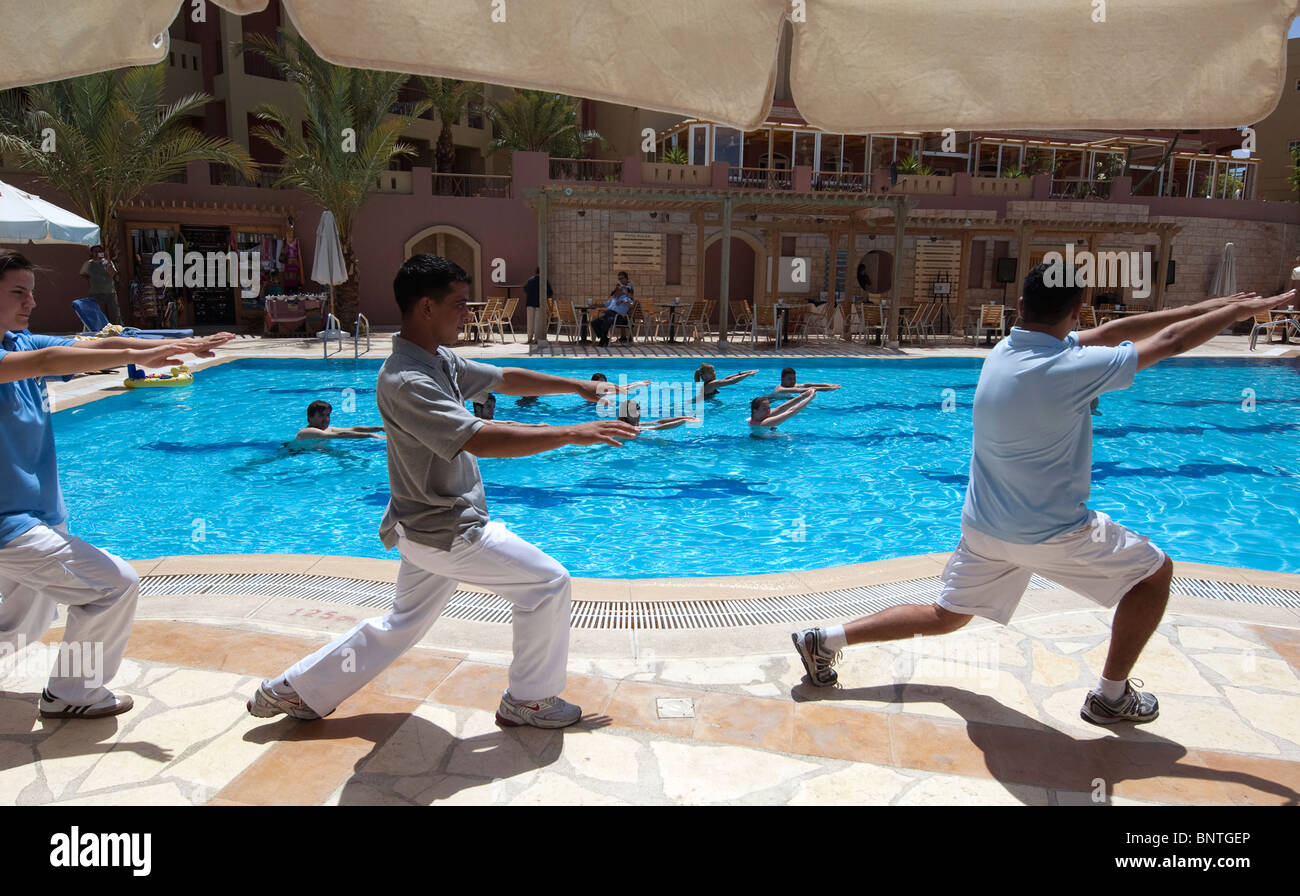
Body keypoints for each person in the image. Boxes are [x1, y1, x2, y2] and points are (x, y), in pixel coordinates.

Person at [791, 262, 1289, 725]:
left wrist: (1209, 306)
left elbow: (1115, 332)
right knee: (1156, 574)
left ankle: (825, 638)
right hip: (1050, 532)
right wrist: (1235, 313)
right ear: (1075, 312)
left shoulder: (1007, 352)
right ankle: (1111, 697)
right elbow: (1171, 342)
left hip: (985, 527)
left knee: (947, 616)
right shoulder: (1071, 370)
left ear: (1022, 309)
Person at [247, 255, 639, 729]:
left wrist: (579, 385)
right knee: (548, 584)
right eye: (459, 305)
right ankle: (529, 699)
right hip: (446, 530)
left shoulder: (437, 360)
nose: (467, 314)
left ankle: (294, 690)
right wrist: (571, 433)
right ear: (427, 307)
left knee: (400, 626)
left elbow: (504, 378)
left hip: (419, 524)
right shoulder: (407, 380)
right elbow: (480, 439)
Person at [0, 249, 233, 719]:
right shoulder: (20, 356)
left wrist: (164, 346)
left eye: (32, 291)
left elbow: (87, 348)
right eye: (17, 292)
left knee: (28, 615)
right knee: (114, 585)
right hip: (9, 524)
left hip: (39, 515)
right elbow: (49, 360)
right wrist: (148, 353)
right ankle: (72, 692)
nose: (30, 302)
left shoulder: (17, 342)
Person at [295, 400, 385, 440]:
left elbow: (353, 429)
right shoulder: (307, 432)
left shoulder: (326, 429)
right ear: (310, 417)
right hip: (296, 454)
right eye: (321, 416)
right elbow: (340, 435)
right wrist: (370, 435)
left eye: (328, 415)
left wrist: (380, 428)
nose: (326, 419)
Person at [79, 245, 120, 325]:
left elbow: (112, 274)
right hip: (96, 293)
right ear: (92, 253)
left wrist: (108, 261)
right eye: (96, 251)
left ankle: (115, 331)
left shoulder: (107, 262)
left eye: (100, 251)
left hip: (110, 293)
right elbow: (82, 274)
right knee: (100, 315)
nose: (98, 253)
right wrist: (91, 279)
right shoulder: (88, 264)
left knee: (114, 314)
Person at [592, 271, 635, 346]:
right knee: (594, 322)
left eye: (622, 278)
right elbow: (604, 304)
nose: (616, 292)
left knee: (607, 321)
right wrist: (595, 305)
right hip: (609, 314)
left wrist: (623, 301)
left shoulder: (625, 296)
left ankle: (603, 341)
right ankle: (604, 338)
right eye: (619, 279)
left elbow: (631, 304)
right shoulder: (614, 299)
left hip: (617, 316)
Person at [748, 389, 816, 436]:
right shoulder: (764, 423)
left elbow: (782, 407)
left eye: (769, 408)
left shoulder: (759, 416)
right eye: (764, 409)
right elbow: (791, 412)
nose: (768, 411)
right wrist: (810, 398)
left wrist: (803, 396)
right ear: (755, 410)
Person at [617, 399, 698, 432]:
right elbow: (656, 428)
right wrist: (683, 421)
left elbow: (658, 422)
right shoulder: (627, 427)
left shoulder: (634, 423)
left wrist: (684, 417)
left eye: (638, 408)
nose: (637, 412)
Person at [761, 367, 842, 397]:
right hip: (771, 401)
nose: (793, 381)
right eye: (789, 379)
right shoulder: (781, 389)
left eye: (794, 378)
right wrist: (830, 389)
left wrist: (831, 385)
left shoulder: (792, 386)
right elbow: (804, 389)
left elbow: (809, 384)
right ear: (782, 379)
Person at [694, 362, 758, 398]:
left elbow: (727, 379)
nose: (714, 373)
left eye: (714, 371)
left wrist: (745, 372)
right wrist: (747, 375)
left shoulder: (708, 383)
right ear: (705, 376)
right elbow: (731, 381)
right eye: (711, 372)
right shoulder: (711, 384)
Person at [524, 267, 553, 345]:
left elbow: (525, 289)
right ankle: (536, 339)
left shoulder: (530, 280)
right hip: (539, 303)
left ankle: (529, 338)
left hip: (529, 302)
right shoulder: (544, 280)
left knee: (530, 321)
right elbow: (550, 293)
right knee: (537, 322)